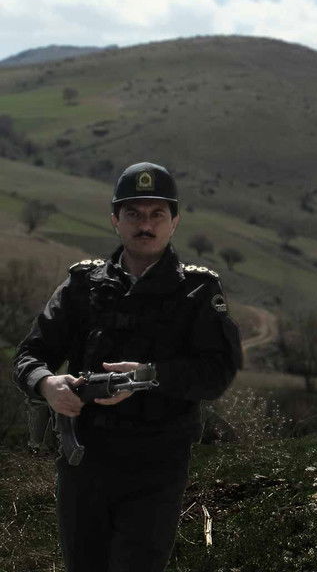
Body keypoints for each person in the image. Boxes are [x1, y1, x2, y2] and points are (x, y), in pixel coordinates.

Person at [13, 161, 243, 572]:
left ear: (174, 222)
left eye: (157, 214)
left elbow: (217, 374)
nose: (145, 225)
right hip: (84, 460)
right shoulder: (82, 286)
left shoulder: (197, 292)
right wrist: (47, 385)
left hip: (156, 464)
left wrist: (147, 376)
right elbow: (29, 355)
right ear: (115, 220)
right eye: (133, 213)